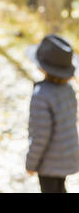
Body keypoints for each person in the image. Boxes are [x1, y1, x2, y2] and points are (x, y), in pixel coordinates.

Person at [25, 34, 79, 193]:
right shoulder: (68, 90)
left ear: (42, 66)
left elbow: (40, 136)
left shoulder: (41, 94)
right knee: (60, 188)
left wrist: (31, 163)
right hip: (66, 156)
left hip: (48, 163)